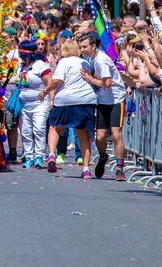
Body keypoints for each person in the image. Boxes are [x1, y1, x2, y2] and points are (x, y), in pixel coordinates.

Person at [39, 39, 96, 179]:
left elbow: (57, 80)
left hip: (65, 100)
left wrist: (45, 92)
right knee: (83, 135)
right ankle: (86, 169)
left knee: (55, 127)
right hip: (85, 99)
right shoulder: (85, 62)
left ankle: (52, 154)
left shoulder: (64, 62)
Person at [79, 32, 128, 180]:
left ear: (94, 46)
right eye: (80, 47)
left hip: (115, 100)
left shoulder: (101, 61)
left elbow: (106, 84)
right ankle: (102, 156)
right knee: (99, 137)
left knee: (115, 134)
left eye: (85, 46)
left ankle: (120, 168)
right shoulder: (91, 59)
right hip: (102, 101)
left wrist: (90, 78)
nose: (82, 50)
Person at [16, 40, 52, 169]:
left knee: (39, 129)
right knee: (25, 131)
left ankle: (39, 156)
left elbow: (50, 83)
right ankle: (28, 156)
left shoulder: (41, 65)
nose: (20, 56)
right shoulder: (21, 66)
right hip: (24, 104)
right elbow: (17, 80)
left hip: (40, 103)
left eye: (21, 54)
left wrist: (49, 96)